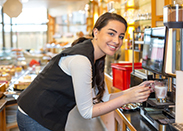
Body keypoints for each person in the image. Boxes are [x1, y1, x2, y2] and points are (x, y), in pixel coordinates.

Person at [17, 12, 153, 131]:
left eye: (121, 36)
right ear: (96, 32)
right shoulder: (81, 60)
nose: (117, 41)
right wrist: (127, 98)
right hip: (35, 115)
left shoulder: (95, 56)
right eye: (111, 33)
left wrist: (133, 91)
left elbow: (103, 99)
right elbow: (87, 112)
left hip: (46, 114)